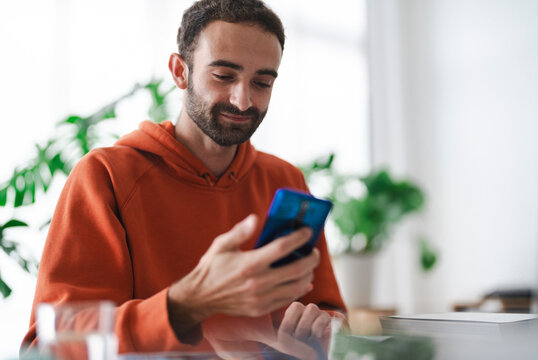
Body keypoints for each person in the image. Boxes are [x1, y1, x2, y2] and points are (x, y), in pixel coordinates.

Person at [22, 0, 346, 357]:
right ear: (180, 71)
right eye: (223, 76)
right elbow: (48, 348)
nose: (243, 101)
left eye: (263, 82)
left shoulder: (285, 179)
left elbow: (329, 313)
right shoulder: (105, 176)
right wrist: (185, 304)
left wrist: (320, 330)